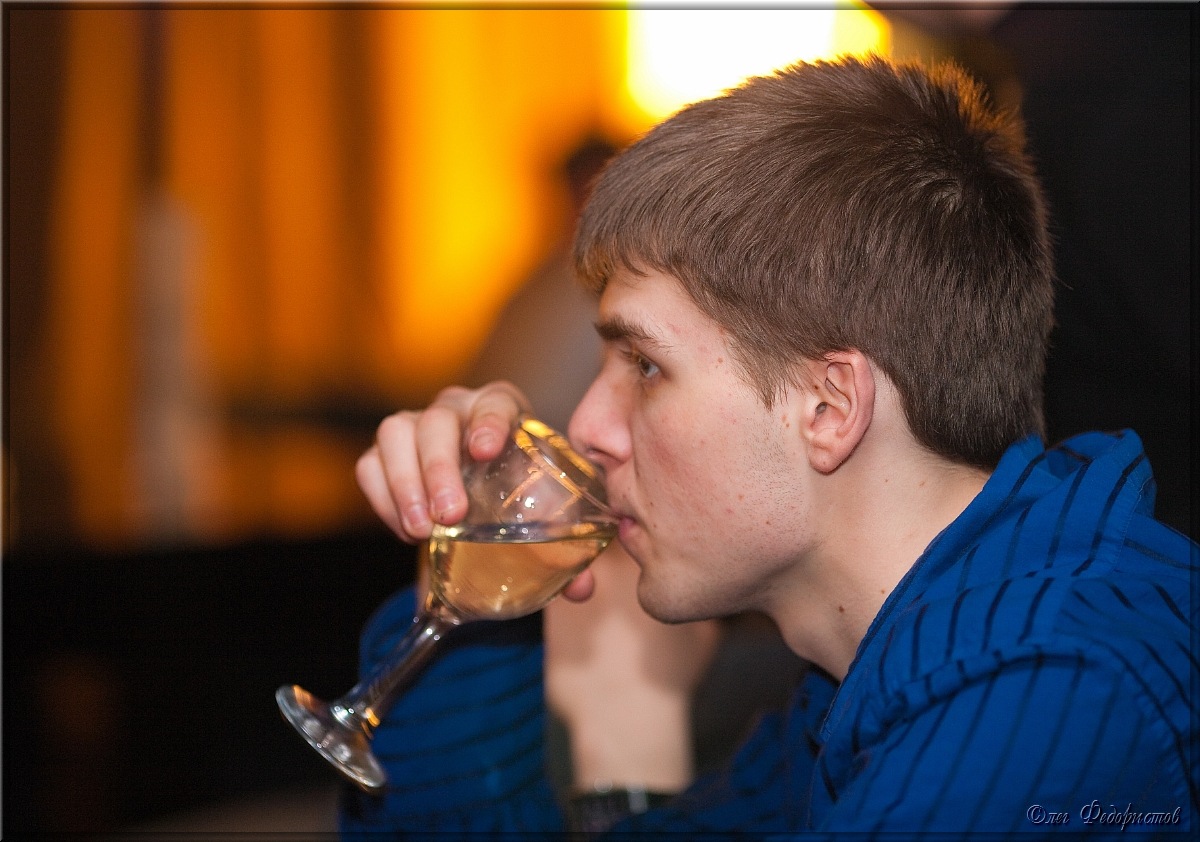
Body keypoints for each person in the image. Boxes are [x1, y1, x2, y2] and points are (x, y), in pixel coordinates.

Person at [342, 56, 1196, 835]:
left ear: (829, 407)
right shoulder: (851, 686)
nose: (587, 429)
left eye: (646, 365)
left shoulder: (1045, 693)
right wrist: (469, 586)